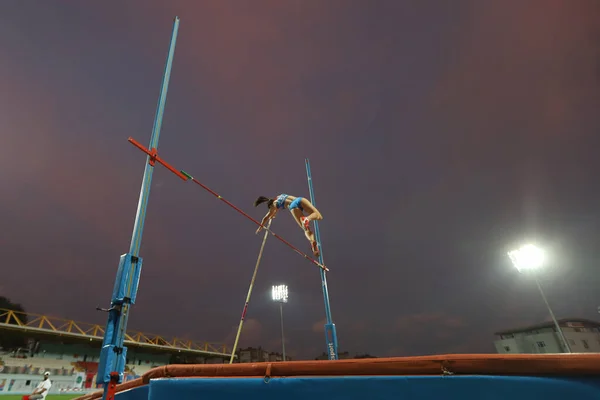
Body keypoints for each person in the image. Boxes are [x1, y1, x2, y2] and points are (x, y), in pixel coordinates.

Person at [254, 194, 323, 257]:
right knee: (318, 215)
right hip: (299, 199)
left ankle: (312, 240)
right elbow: (276, 208)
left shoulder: (273, 205)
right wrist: (273, 214)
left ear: (270, 205)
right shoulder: (279, 196)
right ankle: (307, 219)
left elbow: (266, 217)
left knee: (305, 229)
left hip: (293, 206)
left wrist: (260, 227)